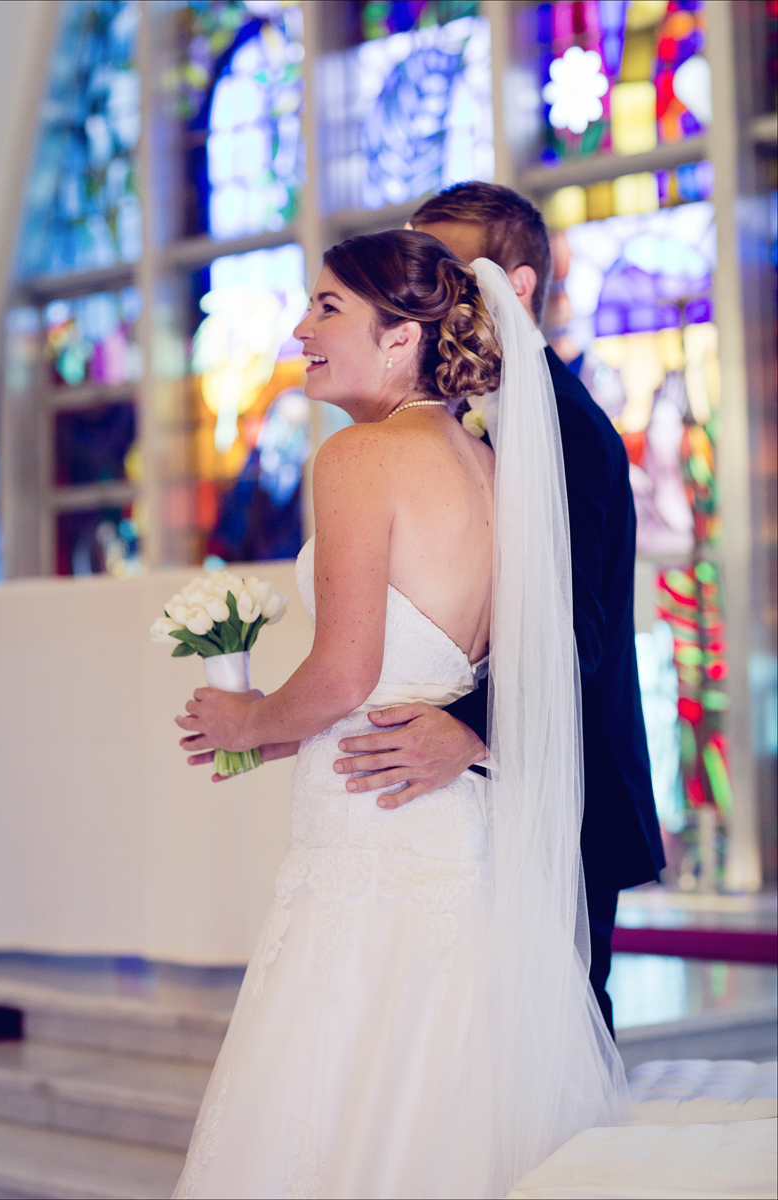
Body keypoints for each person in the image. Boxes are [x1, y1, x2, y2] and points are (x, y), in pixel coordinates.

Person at [172, 229, 626, 1199]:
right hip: (459, 829)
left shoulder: (359, 457)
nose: (301, 330)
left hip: (371, 838)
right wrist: (281, 731)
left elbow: (346, 674)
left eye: (327, 307)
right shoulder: (489, 465)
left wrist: (246, 721)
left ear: (401, 337)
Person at [333, 183, 666, 1036]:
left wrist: (471, 727)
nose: (430, 287)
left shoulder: (565, 428)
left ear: (515, 286)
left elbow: (576, 630)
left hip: (565, 785)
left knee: (558, 1040)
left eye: (448, 268)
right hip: (499, 790)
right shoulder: (466, 416)